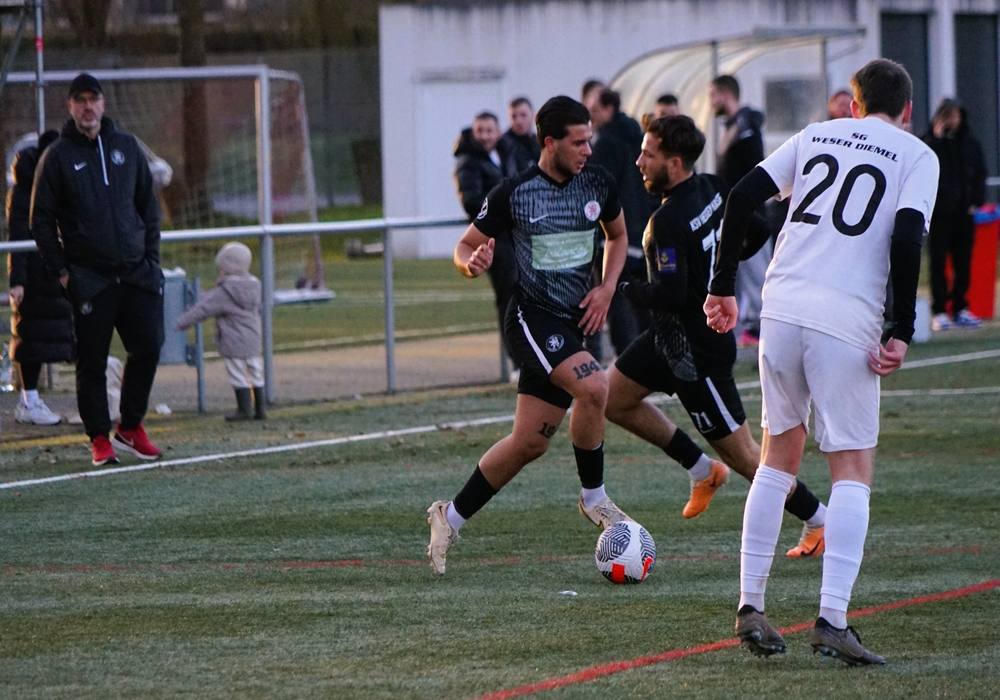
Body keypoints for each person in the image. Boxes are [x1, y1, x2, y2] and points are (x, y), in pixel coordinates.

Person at [705, 58, 939, 665]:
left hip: (782, 308)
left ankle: (750, 604)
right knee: (852, 468)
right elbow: (907, 234)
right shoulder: (916, 154)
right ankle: (832, 619)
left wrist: (722, 285)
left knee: (776, 458)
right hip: (844, 316)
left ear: (854, 106)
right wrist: (902, 327)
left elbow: (741, 195)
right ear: (908, 110)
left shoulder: (816, 134)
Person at [427, 96, 632, 575]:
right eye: (578, 142)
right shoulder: (514, 192)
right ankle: (594, 498)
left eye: (589, 141)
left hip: (572, 323)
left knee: (528, 443)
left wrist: (606, 288)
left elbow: (618, 236)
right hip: (532, 319)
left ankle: (448, 516)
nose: (587, 150)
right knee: (595, 385)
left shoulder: (597, 182)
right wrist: (471, 263)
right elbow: (465, 246)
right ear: (549, 143)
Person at [606, 115, 826, 556]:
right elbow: (758, 231)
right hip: (666, 340)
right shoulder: (712, 187)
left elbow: (670, 295)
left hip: (697, 353)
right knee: (612, 400)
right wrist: (718, 269)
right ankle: (701, 469)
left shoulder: (666, 222)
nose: (640, 162)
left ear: (674, 162)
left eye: (648, 155)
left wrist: (624, 286)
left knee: (745, 456)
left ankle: (818, 519)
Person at [31, 73, 165, 467]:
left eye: (94, 100)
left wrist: (151, 260)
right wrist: (63, 272)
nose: (88, 107)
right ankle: (99, 438)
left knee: (149, 347)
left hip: (136, 272)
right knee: (92, 361)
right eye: (81, 101)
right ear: (70, 107)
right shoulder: (57, 156)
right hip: (89, 278)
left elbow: (148, 208)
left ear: (104, 104)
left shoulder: (127, 146)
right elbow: (40, 221)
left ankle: (131, 427)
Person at [6, 130, 73, 426]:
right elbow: (18, 235)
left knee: (75, 333)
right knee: (32, 337)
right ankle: (29, 400)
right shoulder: (25, 189)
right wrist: (18, 280)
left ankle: (95, 396)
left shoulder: (64, 179)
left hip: (61, 268)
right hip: (37, 273)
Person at [582, 86, 652, 358]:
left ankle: (627, 356)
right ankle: (651, 351)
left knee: (614, 294)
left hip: (615, 230)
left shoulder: (608, 143)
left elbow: (599, 187)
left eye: (594, 110)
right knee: (641, 295)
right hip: (641, 227)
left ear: (608, 109)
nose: (591, 116)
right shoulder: (638, 137)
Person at [453, 111, 519, 374]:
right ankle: (517, 364)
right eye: (480, 130)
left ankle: (530, 359)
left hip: (514, 237)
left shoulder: (506, 152)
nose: (484, 136)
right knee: (508, 299)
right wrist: (506, 211)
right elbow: (472, 201)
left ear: (498, 132)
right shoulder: (467, 162)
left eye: (489, 130)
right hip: (493, 240)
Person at [175, 242, 266, 421]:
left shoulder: (226, 291)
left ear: (227, 268)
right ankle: (261, 409)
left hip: (234, 341)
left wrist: (182, 323)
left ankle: (244, 409)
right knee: (255, 372)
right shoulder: (255, 286)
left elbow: (204, 308)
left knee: (238, 374)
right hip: (254, 339)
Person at [709, 75, 768, 346]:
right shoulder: (732, 126)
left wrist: (747, 207)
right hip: (733, 216)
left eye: (713, 95)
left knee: (757, 277)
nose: (711, 102)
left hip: (750, 217)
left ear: (725, 94)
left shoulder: (745, 126)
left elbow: (755, 170)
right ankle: (746, 331)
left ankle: (766, 331)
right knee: (740, 277)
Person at [922, 99, 988, 331]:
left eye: (956, 116)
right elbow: (925, 167)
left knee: (963, 262)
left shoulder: (969, 142)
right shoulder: (929, 143)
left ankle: (960, 307)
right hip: (939, 214)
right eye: (948, 116)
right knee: (938, 262)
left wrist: (976, 201)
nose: (953, 121)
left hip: (963, 213)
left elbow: (980, 172)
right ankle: (939, 310)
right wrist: (938, 139)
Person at [497, 97, 541, 178]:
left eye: (523, 115)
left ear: (533, 115)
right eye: (514, 116)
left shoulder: (538, 141)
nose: (518, 121)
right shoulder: (504, 143)